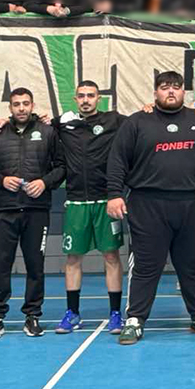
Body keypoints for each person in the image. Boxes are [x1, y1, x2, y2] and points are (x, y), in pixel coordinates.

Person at [106, 71, 195, 343]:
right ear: (155, 92)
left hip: (194, 203)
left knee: (193, 265)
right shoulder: (138, 121)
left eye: (176, 87)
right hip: (148, 204)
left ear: (184, 92)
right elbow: (117, 160)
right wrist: (114, 194)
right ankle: (135, 319)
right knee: (146, 266)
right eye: (164, 87)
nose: (170, 92)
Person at [0, 87, 65, 339]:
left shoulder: (48, 132)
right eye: (17, 104)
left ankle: (33, 316)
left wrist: (44, 183)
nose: (22, 108)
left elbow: (61, 167)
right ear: (10, 108)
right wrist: (2, 181)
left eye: (26, 103)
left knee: (35, 265)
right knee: (1, 265)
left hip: (37, 211)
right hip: (3, 211)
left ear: (33, 104)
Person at [53, 82, 128, 336]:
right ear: (75, 99)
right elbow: (33, 124)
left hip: (106, 200)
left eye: (91, 96)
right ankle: (72, 313)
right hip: (76, 202)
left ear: (99, 98)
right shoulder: (63, 124)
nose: (86, 100)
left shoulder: (114, 120)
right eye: (81, 96)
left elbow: (142, 125)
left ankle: (116, 314)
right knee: (73, 259)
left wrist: (149, 109)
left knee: (111, 257)